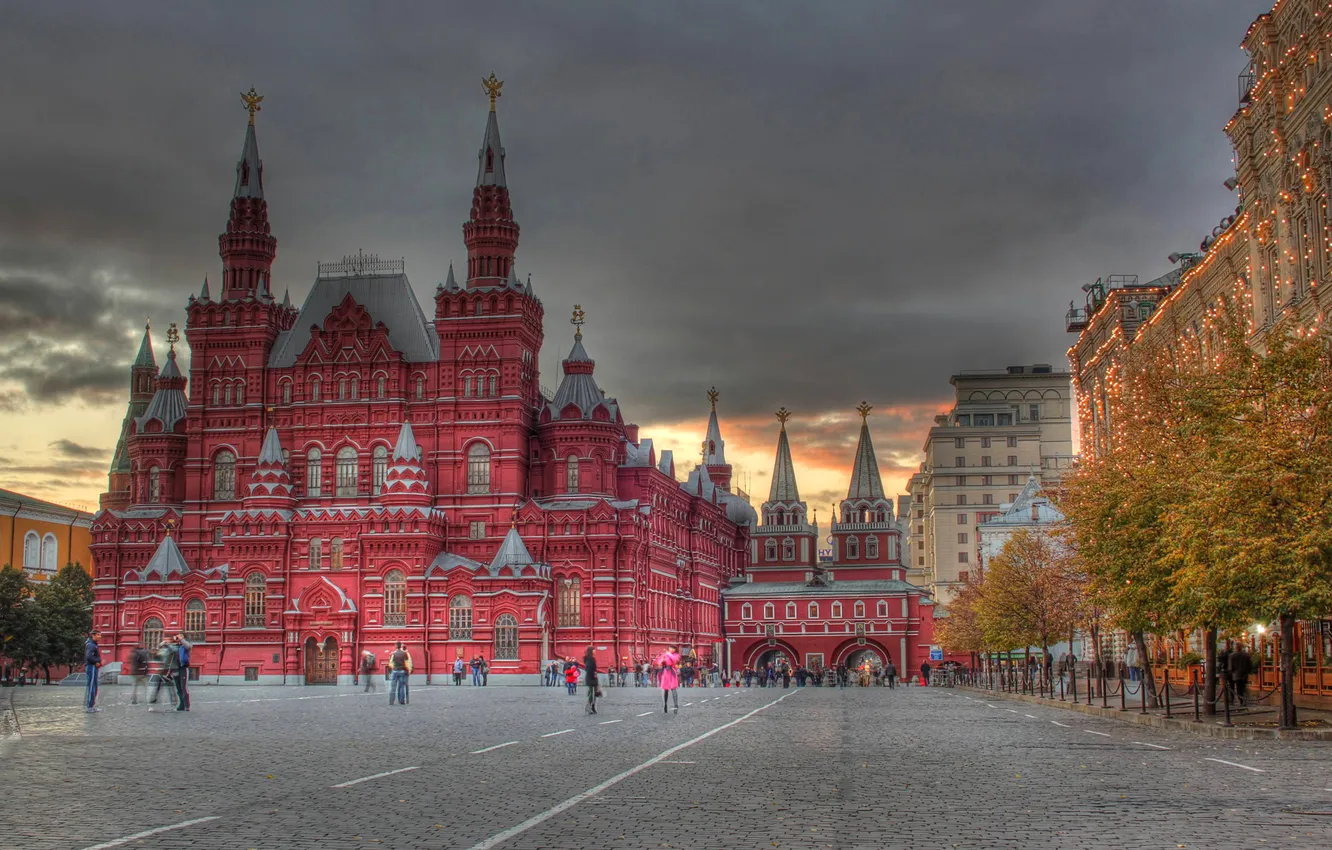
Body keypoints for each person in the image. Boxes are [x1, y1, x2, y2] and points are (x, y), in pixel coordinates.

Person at [148, 639, 177, 710]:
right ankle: (152, 704)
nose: (165, 642)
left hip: (169, 671)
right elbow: (158, 658)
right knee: (157, 688)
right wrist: (154, 654)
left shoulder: (173, 648)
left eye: (168, 641)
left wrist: (168, 645)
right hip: (162, 671)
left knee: (170, 688)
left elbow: (174, 650)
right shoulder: (163, 650)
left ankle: (173, 705)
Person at [84, 630, 103, 713]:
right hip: (91, 667)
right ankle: (89, 706)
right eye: (98, 635)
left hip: (93, 667)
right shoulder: (91, 645)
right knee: (92, 687)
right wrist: (97, 661)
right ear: (93, 636)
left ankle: (92, 705)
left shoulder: (93, 644)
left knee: (94, 687)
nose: (100, 636)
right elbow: (89, 657)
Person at [657, 646, 680, 714]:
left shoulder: (676, 655)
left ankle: (676, 705)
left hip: (672, 672)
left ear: (675, 649)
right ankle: (665, 705)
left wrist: (667, 654)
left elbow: (674, 660)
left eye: (672, 648)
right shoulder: (665, 655)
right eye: (670, 648)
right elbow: (660, 662)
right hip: (665, 673)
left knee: (673, 689)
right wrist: (662, 660)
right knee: (665, 690)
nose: (671, 649)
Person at [174, 633, 193, 711]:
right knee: (178, 688)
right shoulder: (176, 646)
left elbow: (188, 646)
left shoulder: (186, 645)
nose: (178, 637)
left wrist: (182, 639)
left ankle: (187, 705)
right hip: (175, 668)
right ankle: (181, 705)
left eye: (180, 636)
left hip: (183, 668)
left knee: (184, 687)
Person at [583, 645, 599, 714]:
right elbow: (589, 668)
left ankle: (592, 707)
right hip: (591, 678)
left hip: (591, 677)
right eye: (594, 650)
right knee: (592, 694)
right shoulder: (590, 659)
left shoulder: (589, 658)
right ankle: (589, 707)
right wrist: (594, 673)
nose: (595, 651)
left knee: (594, 693)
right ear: (591, 651)